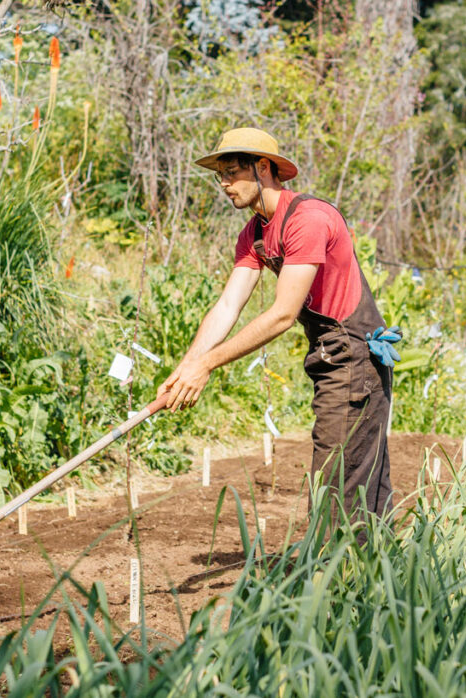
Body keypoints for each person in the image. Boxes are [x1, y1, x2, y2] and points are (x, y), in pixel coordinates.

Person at [159, 127, 400, 528]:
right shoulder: (254, 233)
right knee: (354, 479)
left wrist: (207, 366)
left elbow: (282, 314)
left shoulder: (308, 219)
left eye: (232, 172)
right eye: (219, 175)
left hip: (356, 358)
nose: (223, 184)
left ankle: (332, 582)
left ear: (264, 168)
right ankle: (369, 577)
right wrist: (186, 367)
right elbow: (227, 306)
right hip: (328, 356)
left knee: (338, 483)